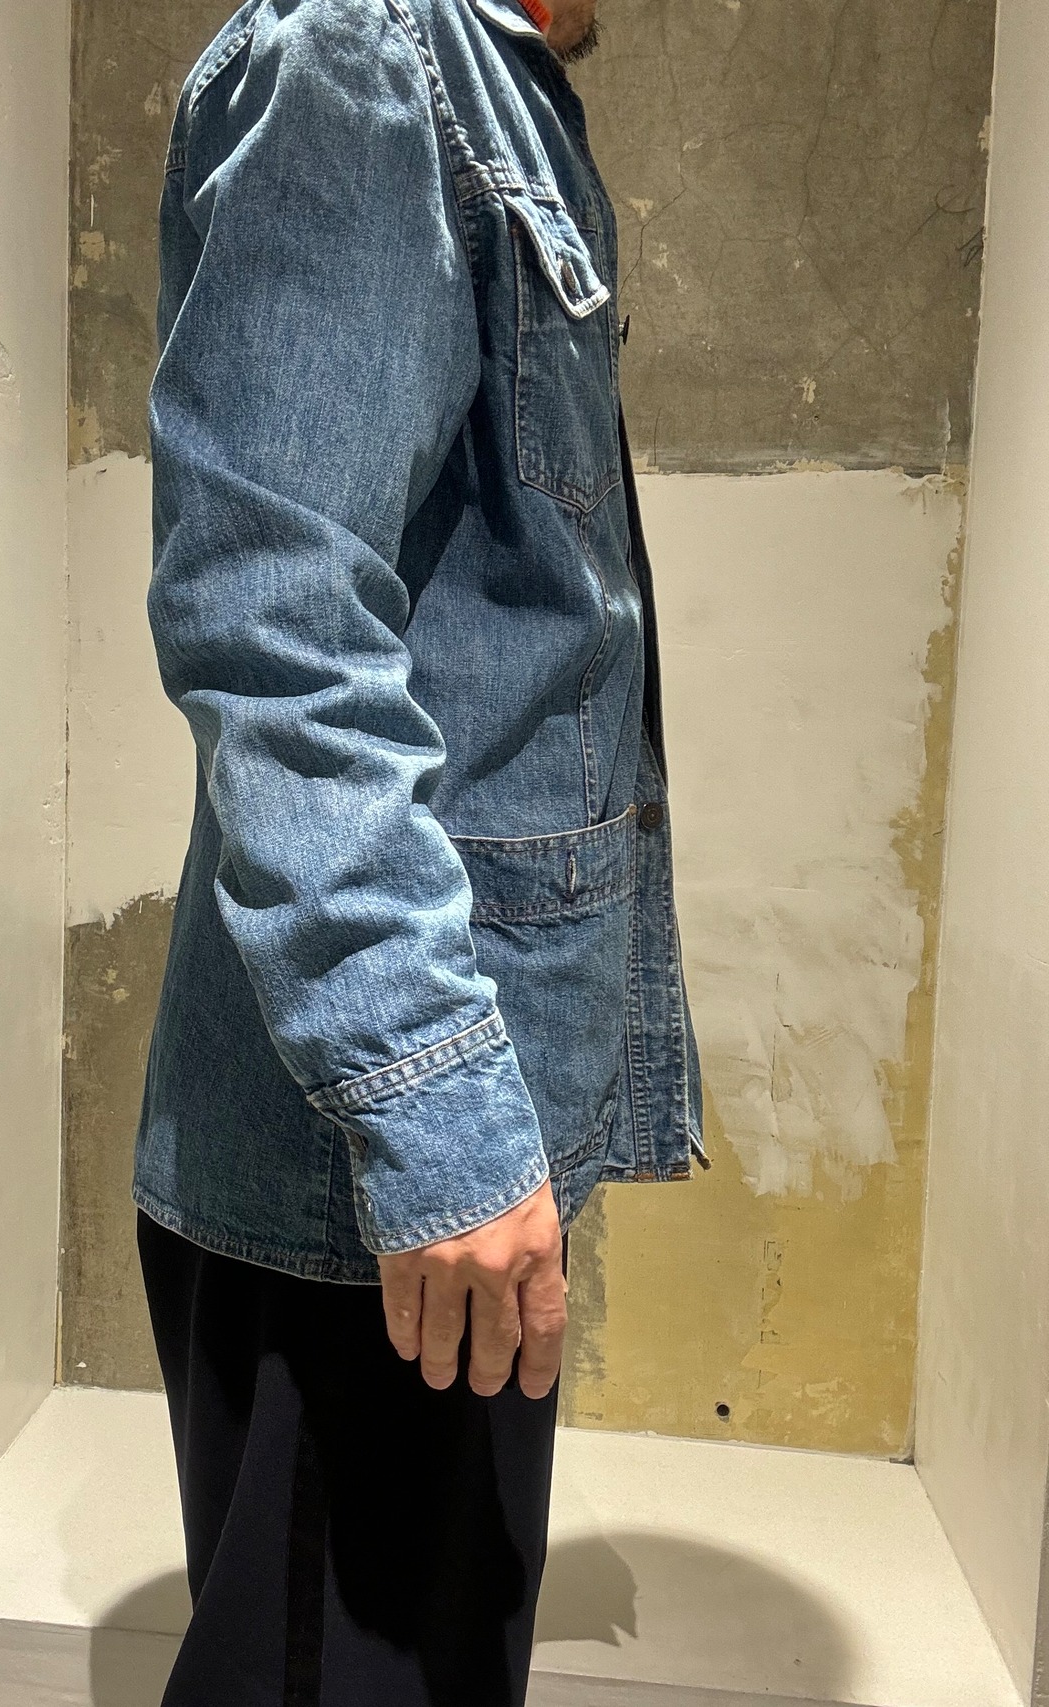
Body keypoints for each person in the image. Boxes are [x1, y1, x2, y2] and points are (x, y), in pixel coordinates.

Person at [134, 0, 706, 1697]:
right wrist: (434, 1116)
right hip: (379, 1180)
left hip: (418, 1153)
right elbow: (278, 630)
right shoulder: (362, 57)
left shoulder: (479, 88)